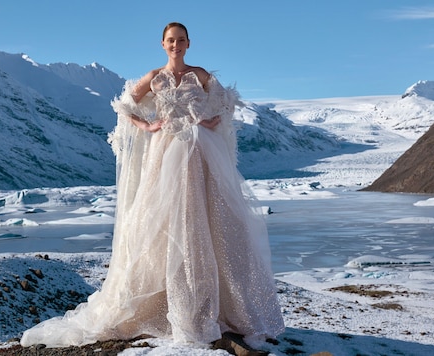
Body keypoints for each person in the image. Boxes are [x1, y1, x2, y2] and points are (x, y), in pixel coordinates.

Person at [20, 22, 284, 351]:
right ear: (162, 44)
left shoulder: (200, 75)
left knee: (211, 222)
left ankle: (223, 310)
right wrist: (148, 125)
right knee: (169, 223)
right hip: (166, 154)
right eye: (171, 40)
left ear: (189, 43)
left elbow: (227, 102)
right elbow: (124, 106)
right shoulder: (154, 77)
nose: (176, 45)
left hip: (200, 153)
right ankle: (182, 311)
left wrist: (211, 121)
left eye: (181, 40)